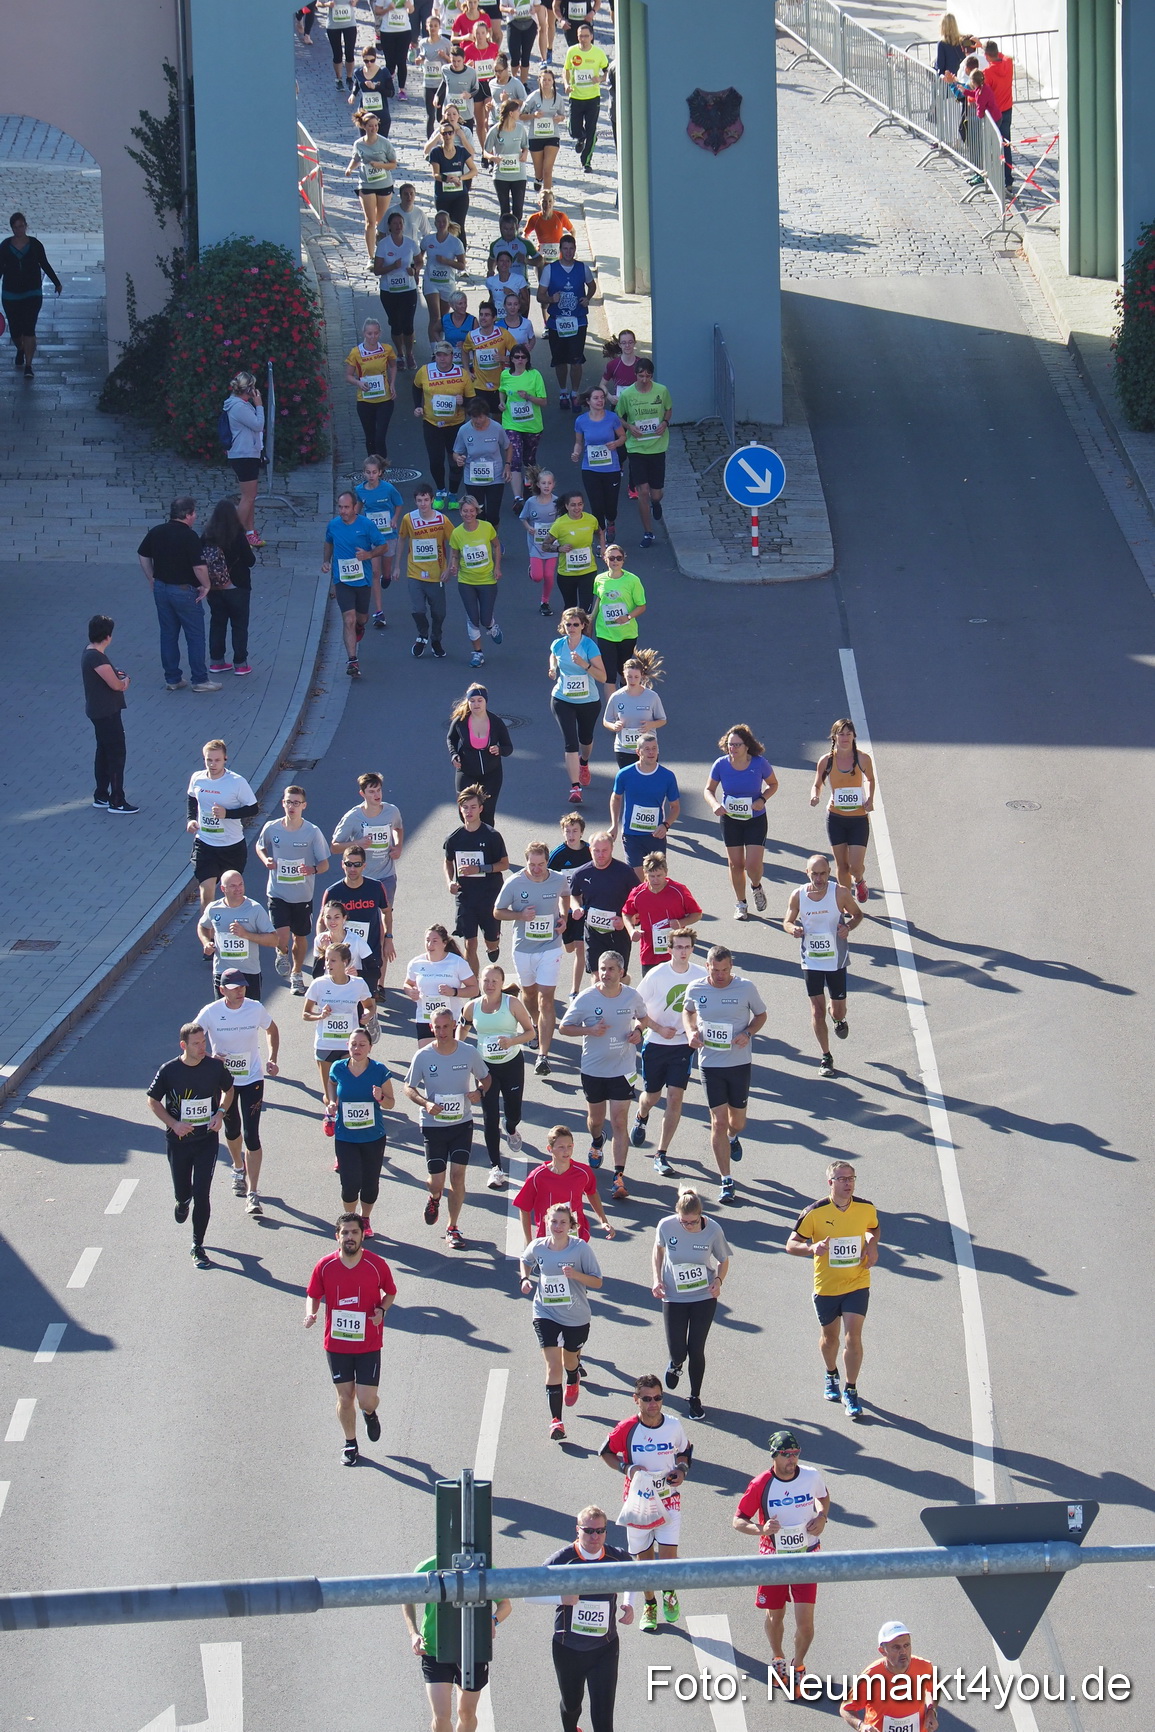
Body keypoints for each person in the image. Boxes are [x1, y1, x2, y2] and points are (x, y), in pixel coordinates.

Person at [733, 1431, 831, 1687]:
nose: (792, 1460)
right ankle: (777, 1657)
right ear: (775, 1456)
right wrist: (761, 1529)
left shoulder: (811, 1476)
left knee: (806, 1624)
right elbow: (738, 1521)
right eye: (787, 1455)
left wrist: (822, 1517)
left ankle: (798, 1664)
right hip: (773, 1558)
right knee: (775, 1616)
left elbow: (823, 1498)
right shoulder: (760, 1484)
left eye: (796, 1454)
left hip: (806, 1555)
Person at [787, 1160, 879, 1420]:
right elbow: (791, 1244)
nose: (848, 1183)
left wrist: (872, 1245)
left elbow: (873, 1228)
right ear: (831, 1183)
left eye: (851, 1178)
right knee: (830, 1338)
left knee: (853, 1337)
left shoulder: (865, 1208)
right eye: (842, 1179)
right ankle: (830, 1374)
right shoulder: (814, 1212)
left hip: (857, 1282)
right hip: (826, 1286)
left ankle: (850, 1389)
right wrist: (811, 1248)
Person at [600, 1374, 691, 1635]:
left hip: (668, 1499)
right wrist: (626, 1468)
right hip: (638, 1502)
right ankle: (650, 1603)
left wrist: (682, 1470)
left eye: (658, 1398)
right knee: (644, 1558)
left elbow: (685, 1450)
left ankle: (669, 1593)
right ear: (636, 1400)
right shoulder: (627, 1428)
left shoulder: (673, 1425)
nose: (654, 1404)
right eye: (647, 1399)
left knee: (669, 1557)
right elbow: (604, 1452)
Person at [305, 1215, 397, 1465]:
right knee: (345, 1398)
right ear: (337, 1236)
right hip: (337, 1345)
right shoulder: (325, 1265)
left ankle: (369, 1413)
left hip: (368, 1343)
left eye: (354, 1232)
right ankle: (350, 1443)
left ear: (362, 1235)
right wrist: (310, 1313)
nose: (349, 1237)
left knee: (366, 1400)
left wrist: (382, 1310)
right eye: (345, 1233)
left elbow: (390, 1292)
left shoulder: (376, 1264)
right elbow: (313, 1294)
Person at [682, 946, 767, 1204]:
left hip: (739, 1063)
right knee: (718, 1121)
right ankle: (726, 1180)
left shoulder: (745, 988)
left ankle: (733, 1137)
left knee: (736, 1122)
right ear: (707, 966)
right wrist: (690, 1032)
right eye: (715, 970)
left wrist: (748, 1033)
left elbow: (761, 1015)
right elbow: (687, 1012)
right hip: (710, 1064)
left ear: (731, 967)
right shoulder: (696, 988)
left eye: (725, 970)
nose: (720, 975)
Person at [146, 1022, 234, 1268]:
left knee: (202, 1193)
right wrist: (174, 1124)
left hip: (206, 1140)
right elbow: (152, 1101)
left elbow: (229, 1090)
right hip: (179, 1142)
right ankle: (182, 1201)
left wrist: (220, 1113)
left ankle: (198, 1245)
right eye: (196, 1044)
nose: (202, 1047)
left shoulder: (215, 1067)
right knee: (184, 1193)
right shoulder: (169, 1070)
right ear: (183, 1045)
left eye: (203, 1042)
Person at [558, 950, 644, 1199]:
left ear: (622, 972)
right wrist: (589, 1029)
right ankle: (597, 1141)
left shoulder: (631, 996)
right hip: (593, 1070)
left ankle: (619, 1176)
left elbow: (644, 1019)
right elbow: (564, 1028)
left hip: (623, 1069)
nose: (605, 974)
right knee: (595, 1121)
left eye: (611, 969)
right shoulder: (586, 998)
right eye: (602, 968)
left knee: (619, 1121)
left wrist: (639, 1031)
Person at [404, 1006, 490, 1248]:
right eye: (437, 1027)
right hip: (433, 1125)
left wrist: (479, 1092)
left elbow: (486, 1077)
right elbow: (408, 1087)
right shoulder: (423, 1056)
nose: (442, 1032)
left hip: (462, 1123)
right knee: (437, 1181)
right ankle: (434, 1197)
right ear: (431, 1028)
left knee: (458, 1176)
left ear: (454, 1025)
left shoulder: (468, 1052)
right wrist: (425, 1102)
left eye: (445, 1026)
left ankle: (453, 1227)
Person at [194, 969, 279, 1215]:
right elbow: (191, 1037)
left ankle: (253, 1193)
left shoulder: (254, 1008)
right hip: (224, 1082)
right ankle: (237, 1166)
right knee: (232, 1130)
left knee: (252, 1134)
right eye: (234, 988)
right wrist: (209, 1057)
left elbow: (272, 1030)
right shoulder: (211, 1012)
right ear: (223, 990)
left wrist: (272, 1058)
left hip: (252, 1078)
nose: (240, 991)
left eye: (242, 987)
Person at [545, 1506, 634, 1729]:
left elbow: (636, 1576)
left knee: (604, 1717)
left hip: (605, 1648)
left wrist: (628, 1603)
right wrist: (561, 1597)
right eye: (589, 1530)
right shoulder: (562, 1559)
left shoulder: (617, 1556)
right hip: (568, 1648)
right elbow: (528, 1592)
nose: (595, 1536)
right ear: (578, 1530)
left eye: (600, 1531)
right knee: (572, 1705)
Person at [522, 1203, 602, 1438]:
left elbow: (598, 1282)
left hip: (576, 1315)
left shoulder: (580, 1249)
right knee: (552, 1365)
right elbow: (525, 1260)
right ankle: (556, 1421)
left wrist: (576, 1275)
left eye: (563, 1222)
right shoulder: (538, 1247)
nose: (557, 1226)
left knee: (569, 1360)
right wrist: (524, 1279)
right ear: (546, 1222)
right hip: (545, 1312)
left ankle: (573, 1375)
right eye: (553, 1221)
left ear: (571, 1225)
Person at [403, 1560, 512, 1732]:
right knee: (440, 1715)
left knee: (466, 1713)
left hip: (473, 1650)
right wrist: (413, 1633)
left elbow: (505, 1604)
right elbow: (407, 1598)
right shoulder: (427, 1567)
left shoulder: (485, 1568)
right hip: (435, 1649)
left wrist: (493, 1620)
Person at [632, 927, 705, 1176]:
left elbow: (706, 1006)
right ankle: (641, 1116)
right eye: (678, 947)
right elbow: (636, 1006)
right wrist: (657, 1027)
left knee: (675, 1096)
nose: (683, 952)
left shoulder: (700, 975)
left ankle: (661, 1153)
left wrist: (696, 1030)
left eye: (687, 947)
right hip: (655, 1044)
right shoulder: (656, 975)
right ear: (669, 949)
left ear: (692, 949)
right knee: (651, 1097)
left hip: (683, 1047)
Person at [784, 854, 863, 1077]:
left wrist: (848, 927)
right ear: (806, 873)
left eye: (823, 873)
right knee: (817, 1011)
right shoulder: (798, 895)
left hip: (835, 959)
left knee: (837, 1010)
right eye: (814, 873)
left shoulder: (840, 892)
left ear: (829, 873)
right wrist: (793, 930)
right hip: (811, 960)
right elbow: (787, 921)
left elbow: (857, 915)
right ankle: (826, 1056)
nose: (818, 878)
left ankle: (838, 1018)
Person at [653, 1187, 729, 1418]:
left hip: (703, 1296)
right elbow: (658, 1251)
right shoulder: (666, 1225)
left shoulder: (713, 1230)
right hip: (674, 1296)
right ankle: (676, 1364)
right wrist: (657, 1278)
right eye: (684, 1222)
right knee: (678, 1350)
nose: (688, 1226)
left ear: (701, 1215)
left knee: (696, 1349)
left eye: (693, 1222)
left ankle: (695, 1397)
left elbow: (723, 1260)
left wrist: (718, 1280)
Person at [495, 841, 569, 1071]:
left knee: (547, 999)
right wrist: (519, 914)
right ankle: (535, 1026)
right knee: (529, 993)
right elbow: (497, 911)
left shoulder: (558, 879)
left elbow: (566, 895)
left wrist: (564, 917)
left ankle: (543, 1056)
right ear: (526, 862)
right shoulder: (515, 882)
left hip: (550, 946)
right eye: (532, 864)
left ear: (547, 861)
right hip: (523, 948)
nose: (536, 869)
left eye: (541, 864)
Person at [459, 963, 534, 1185]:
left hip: (511, 1064)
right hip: (485, 1068)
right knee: (489, 1117)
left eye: (494, 981)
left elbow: (530, 1032)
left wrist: (512, 1041)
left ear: (501, 984)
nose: (490, 985)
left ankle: (510, 1127)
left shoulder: (512, 1004)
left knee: (514, 1113)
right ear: (480, 982)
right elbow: (462, 1030)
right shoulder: (471, 1007)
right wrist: (454, 1049)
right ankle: (496, 1167)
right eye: (486, 981)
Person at [138, 498, 220, 694]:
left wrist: (151, 578)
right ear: (188, 514)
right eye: (194, 513)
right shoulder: (189, 536)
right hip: (184, 591)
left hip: (161, 589)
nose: (196, 516)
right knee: (195, 636)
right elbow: (199, 567)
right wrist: (206, 585)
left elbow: (143, 555)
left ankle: (172, 678)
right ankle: (200, 680)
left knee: (168, 634)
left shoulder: (157, 531)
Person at [256, 786, 329, 992]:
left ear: (304, 806)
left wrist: (311, 869)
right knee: (281, 935)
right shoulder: (272, 828)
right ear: (283, 803)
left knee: (300, 936)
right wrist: (266, 859)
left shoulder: (312, 832)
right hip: (277, 892)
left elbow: (325, 864)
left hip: (302, 895)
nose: (292, 806)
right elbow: (260, 846)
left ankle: (296, 974)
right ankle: (282, 952)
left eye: (296, 803)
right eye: (289, 802)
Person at [705, 724, 779, 919]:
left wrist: (762, 799)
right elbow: (708, 789)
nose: (733, 748)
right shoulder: (720, 764)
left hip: (755, 818)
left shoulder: (759, 763)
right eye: (730, 744)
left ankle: (756, 886)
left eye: (737, 744)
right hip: (730, 820)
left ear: (747, 746)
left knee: (753, 865)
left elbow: (773, 784)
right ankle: (741, 904)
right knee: (735, 864)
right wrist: (714, 805)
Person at [186, 738, 259, 913]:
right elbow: (191, 798)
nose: (212, 764)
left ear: (225, 759)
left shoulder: (236, 782)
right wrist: (191, 819)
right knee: (207, 893)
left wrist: (228, 814)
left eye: (217, 760)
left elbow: (253, 808)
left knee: (233, 895)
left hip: (231, 846)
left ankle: (230, 930)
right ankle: (209, 938)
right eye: (209, 760)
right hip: (205, 844)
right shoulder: (198, 778)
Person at [330, 1031, 393, 1231]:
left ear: (370, 1047)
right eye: (354, 1044)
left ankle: (365, 1219)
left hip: (373, 1137)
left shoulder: (379, 1070)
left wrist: (381, 1097)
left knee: (370, 1183)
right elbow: (331, 1084)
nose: (357, 1049)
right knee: (349, 1184)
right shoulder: (338, 1068)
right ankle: (350, 1222)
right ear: (348, 1046)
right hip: (345, 1136)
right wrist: (331, 1101)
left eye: (362, 1045)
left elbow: (391, 1103)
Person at [443, 784, 509, 975]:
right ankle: (474, 989)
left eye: (473, 807)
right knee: (469, 943)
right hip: (466, 897)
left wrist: (480, 868)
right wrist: (449, 882)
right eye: (465, 807)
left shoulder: (492, 836)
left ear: (481, 808)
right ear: (460, 809)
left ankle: (493, 946)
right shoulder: (454, 838)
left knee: (491, 940)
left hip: (489, 895)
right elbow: (448, 862)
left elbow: (504, 864)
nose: (468, 811)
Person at [322, 490, 387, 679]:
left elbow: (383, 546)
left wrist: (368, 555)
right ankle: (352, 660)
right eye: (340, 507)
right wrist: (326, 561)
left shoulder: (366, 525)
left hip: (362, 581)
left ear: (355, 507)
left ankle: (360, 626)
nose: (343, 511)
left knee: (361, 619)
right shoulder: (333, 525)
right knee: (348, 619)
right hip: (342, 580)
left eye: (346, 507)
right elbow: (328, 543)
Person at [811, 717, 876, 902]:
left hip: (858, 819)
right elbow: (817, 784)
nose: (845, 737)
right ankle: (846, 901)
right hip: (836, 818)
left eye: (849, 734)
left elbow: (870, 779)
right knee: (842, 865)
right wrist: (814, 795)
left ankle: (860, 880)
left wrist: (870, 799)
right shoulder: (826, 761)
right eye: (841, 734)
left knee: (855, 866)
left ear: (854, 736)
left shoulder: (862, 758)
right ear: (834, 737)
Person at [304, 943, 377, 1109]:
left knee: (348, 1090)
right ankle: (333, 1119)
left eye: (333, 960)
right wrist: (320, 1015)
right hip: (325, 1044)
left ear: (345, 962)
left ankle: (350, 1125)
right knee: (330, 1096)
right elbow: (305, 1014)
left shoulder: (358, 984)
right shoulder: (319, 984)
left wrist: (367, 1014)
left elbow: (370, 1005)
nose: (328, 964)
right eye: (327, 960)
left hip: (349, 1045)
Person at [515, 1122, 614, 1242]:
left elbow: (591, 1192)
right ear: (550, 1149)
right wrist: (528, 1241)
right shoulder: (537, 1176)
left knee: (573, 1261)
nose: (566, 1151)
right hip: (546, 1237)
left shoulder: (583, 1172)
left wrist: (603, 1220)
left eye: (569, 1146)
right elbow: (524, 1207)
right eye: (561, 1147)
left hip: (575, 1234)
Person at [319, 844, 395, 1000]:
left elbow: (386, 912)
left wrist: (388, 938)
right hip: (343, 951)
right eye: (348, 864)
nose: (352, 869)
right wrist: (323, 942)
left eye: (357, 864)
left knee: (369, 995)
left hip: (369, 949)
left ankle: (371, 1017)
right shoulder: (333, 891)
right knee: (345, 996)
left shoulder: (376, 887)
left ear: (364, 866)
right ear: (342, 864)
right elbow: (321, 920)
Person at [549, 607, 606, 802]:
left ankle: (584, 762)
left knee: (586, 739)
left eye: (575, 624)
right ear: (563, 626)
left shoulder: (589, 646)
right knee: (570, 742)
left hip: (588, 701)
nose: (571, 628)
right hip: (562, 699)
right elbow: (553, 655)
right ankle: (575, 788)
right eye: (568, 625)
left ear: (583, 625)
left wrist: (584, 664)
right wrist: (552, 668)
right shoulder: (558, 644)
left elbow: (603, 676)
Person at [840, 1623, 939, 1732]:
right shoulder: (870, 1677)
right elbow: (846, 1709)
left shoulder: (924, 1667)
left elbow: (935, 1689)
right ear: (882, 1651)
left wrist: (931, 1710)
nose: (903, 1651)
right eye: (896, 1647)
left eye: (906, 1645)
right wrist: (861, 1726)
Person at [197, 868, 278, 1000]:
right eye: (233, 886)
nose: (238, 889)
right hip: (222, 972)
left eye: (241, 884)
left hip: (248, 972)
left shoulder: (254, 909)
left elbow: (274, 940)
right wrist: (206, 942)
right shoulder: (213, 908)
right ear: (223, 889)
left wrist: (246, 934)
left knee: (250, 1016)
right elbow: (202, 926)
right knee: (224, 1014)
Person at [83, 614, 135, 815]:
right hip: (107, 713)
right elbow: (117, 685)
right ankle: (117, 800)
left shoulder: (89, 653)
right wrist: (126, 680)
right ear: (107, 636)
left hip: (98, 711)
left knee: (103, 752)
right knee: (116, 754)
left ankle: (101, 795)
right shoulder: (97, 657)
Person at [538, 232, 597, 408]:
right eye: (565, 249)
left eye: (572, 249)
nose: (569, 252)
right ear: (560, 250)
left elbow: (592, 286)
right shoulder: (550, 269)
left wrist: (588, 298)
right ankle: (563, 391)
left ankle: (575, 393)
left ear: (575, 250)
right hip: (557, 322)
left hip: (578, 320)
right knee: (560, 360)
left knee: (576, 360)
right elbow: (540, 296)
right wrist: (550, 299)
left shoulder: (582, 268)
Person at [413, 341, 474, 510]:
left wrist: (464, 402)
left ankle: (453, 493)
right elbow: (416, 387)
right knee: (435, 460)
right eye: (439, 355)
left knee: (456, 460)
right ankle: (440, 490)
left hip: (455, 425)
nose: (442, 358)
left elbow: (472, 401)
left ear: (452, 356)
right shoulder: (425, 371)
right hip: (432, 424)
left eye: (445, 355)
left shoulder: (462, 374)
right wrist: (417, 406)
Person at [617, 359, 671, 548]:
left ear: (652, 375)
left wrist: (665, 423)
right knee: (643, 492)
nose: (644, 379)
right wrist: (630, 426)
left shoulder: (661, 391)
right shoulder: (628, 394)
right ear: (635, 375)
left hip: (657, 447)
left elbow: (668, 409)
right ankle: (648, 532)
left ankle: (656, 503)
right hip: (636, 448)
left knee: (656, 495)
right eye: (641, 376)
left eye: (648, 376)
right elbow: (618, 416)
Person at [0, 211, 61, 378]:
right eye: (15, 227)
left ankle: (28, 365)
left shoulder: (35, 244)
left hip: (32, 293)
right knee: (14, 330)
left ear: (26, 226)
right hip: (10, 295)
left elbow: (44, 263)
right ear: (11, 228)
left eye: (21, 226)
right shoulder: (5, 246)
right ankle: (20, 349)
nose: (19, 229)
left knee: (29, 328)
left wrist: (56, 282)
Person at [200, 497, 257, 677]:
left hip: (214, 588)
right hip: (237, 587)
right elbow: (250, 561)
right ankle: (240, 663)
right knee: (239, 625)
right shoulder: (238, 535)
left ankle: (216, 661)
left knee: (217, 623)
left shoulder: (206, 536)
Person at [609, 733, 680, 876]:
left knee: (656, 878)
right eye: (647, 749)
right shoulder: (625, 774)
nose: (651, 752)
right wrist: (614, 825)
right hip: (631, 834)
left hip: (655, 836)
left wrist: (666, 825)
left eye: (654, 748)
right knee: (637, 878)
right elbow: (616, 798)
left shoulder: (667, 776)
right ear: (638, 752)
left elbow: (675, 807)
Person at [569, 829, 637, 977]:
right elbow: (574, 896)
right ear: (590, 850)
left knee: (617, 976)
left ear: (612, 848)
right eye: (596, 851)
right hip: (593, 931)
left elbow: (638, 902)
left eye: (604, 850)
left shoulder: (625, 872)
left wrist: (627, 921)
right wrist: (576, 907)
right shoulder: (581, 873)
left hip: (618, 932)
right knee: (598, 975)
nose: (600, 855)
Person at [332, 772, 405, 909]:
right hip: (361, 877)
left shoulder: (391, 811)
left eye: (378, 790)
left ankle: (387, 932)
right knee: (365, 918)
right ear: (362, 794)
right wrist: (357, 843)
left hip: (386, 875)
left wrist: (398, 846)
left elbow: (398, 828)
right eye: (371, 791)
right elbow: (335, 847)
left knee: (386, 912)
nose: (376, 795)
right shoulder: (353, 817)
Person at [398, 482, 453, 654]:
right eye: (420, 500)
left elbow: (454, 542)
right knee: (418, 609)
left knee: (439, 613)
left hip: (437, 575)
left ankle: (436, 639)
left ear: (432, 500)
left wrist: (450, 566)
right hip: (415, 573)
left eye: (426, 500)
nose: (423, 504)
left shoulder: (442, 520)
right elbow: (401, 539)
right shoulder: (408, 519)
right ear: (415, 501)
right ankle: (422, 634)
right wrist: (396, 566)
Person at [448, 494, 503, 667]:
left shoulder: (486, 527)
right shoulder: (457, 533)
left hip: (487, 580)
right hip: (466, 581)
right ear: (460, 512)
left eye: (472, 511)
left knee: (485, 619)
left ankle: (492, 625)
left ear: (477, 511)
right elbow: (455, 553)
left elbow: (496, 545)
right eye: (465, 511)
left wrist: (497, 567)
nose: (468, 514)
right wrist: (453, 565)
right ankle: (477, 653)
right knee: (473, 618)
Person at [447, 683, 514, 822]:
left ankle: (488, 841)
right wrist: (454, 754)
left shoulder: (496, 722)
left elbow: (508, 747)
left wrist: (499, 750)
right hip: (466, 771)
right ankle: (470, 839)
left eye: (480, 700)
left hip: (491, 773)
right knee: (465, 812)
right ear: (468, 702)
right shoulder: (460, 721)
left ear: (486, 701)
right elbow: (451, 738)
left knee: (487, 813)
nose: (476, 704)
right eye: (472, 701)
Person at [403, 923, 478, 1046]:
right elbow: (407, 983)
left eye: (434, 941)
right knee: (427, 1057)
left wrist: (454, 992)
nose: (430, 945)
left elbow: (474, 989)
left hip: (450, 1019)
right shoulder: (416, 963)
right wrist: (410, 991)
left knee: (448, 1056)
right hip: (426, 1018)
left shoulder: (457, 962)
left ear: (444, 943)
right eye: (427, 941)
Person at [623, 856, 701, 973]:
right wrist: (631, 931)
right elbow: (626, 913)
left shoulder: (679, 890)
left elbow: (697, 913)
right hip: (649, 953)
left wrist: (681, 923)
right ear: (645, 874)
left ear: (666, 873)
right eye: (651, 876)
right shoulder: (638, 893)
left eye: (659, 876)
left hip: (676, 952)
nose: (655, 880)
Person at [355, 452, 403, 628]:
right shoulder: (359, 490)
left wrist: (394, 519)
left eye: (374, 472)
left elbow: (398, 504)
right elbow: (359, 507)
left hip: (388, 535)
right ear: (364, 474)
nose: (371, 476)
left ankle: (387, 575)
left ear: (380, 473)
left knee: (385, 570)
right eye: (368, 472)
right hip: (372, 537)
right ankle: (379, 612)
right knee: (374, 572)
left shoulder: (388, 489)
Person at [590, 546, 645, 697]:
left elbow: (642, 606)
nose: (615, 561)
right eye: (612, 558)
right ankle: (612, 713)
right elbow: (599, 599)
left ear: (623, 560)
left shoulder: (633, 580)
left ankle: (626, 700)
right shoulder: (599, 579)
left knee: (623, 671)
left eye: (618, 558)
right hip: (605, 632)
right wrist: (591, 617)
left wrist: (627, 617)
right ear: (605, 559)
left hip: (627, 633)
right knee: (608, 675)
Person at [573, 389, 625, 543]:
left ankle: (611, 522)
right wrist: (576, 453)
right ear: (588, 401)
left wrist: (616, 443)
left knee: (610, 505)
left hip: (611, 469)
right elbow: (578, 442)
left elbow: (623, 436)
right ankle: (601, 539)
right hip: (590, 469)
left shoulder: (612, 418)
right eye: (596, 398)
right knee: (596, 506)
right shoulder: (581, 421)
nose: (600, 401)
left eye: (602, 398)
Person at [346, 108, 399, 262]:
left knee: (380, 222)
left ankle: (382, 251)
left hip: (383, 184)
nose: (374, 128)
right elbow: (356, 158)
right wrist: (350, 168)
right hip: (366, 184)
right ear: (364, 126)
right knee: (370, 221)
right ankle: (371, 256)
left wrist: (380, 165)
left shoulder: (385, 143)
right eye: (370, 126)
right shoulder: (358, 144)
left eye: (376, 125)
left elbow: (393, 164)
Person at [373, 207, 421, 371]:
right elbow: (377, 270)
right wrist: (392, 266)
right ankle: (399, 354)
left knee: (408, 325)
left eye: (400, 223)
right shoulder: (383, 245)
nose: (398, 226)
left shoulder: (411, 243)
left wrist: (414, 270)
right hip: (389, 291)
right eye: (395, 223)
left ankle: (409, 353)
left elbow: (419, 261)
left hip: (408, 290)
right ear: (389, 227)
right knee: (396, 324)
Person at [549, 812, 592, 996]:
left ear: (581, 832)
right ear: (563, 833)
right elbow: (548, 880)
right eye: (568, 831)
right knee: (569, 948)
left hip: (583, 906)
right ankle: (570, 940)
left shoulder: (590, 851)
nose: (571, 835)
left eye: (575, 831)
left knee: (580, 947)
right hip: (564, 907)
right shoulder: (557, 856)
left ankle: (574, 991)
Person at [220, 372, 265, 543]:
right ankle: (231, 536)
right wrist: (259, 405)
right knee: (248, 497)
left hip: (247, 454)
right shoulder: (238, 406)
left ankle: (249, 532)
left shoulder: (239, 404)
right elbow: (258, 424)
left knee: (250, 496)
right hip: (243, 455)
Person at [500, 344, 548, 504]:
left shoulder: (534, 375)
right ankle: (518, 498)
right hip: (511, 423)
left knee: (529, 459)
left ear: (527, 359)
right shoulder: (505, 375)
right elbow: (502, 390)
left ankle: (530, 486)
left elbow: (543, 401)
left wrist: (528, 397)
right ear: (511, 359)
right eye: (516, 357)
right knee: (514, 459)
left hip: (532, 425)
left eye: (523, 357)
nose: (520, 360)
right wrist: (501, 402)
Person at [452, 393, 511, 522]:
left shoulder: (496, 428)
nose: (478, 421)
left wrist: (507, 465)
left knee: (493, 516)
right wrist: (458, 459)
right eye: (474, 417)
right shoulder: (464, 430)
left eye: (481, 417)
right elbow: (456, 452)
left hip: (495, 477)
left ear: (486, 414)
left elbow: (508, 446)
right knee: (478, 514)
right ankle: (482, 541)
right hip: (473, 479)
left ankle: (495, 540)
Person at [345, 317, 398, 462]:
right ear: (364, 333)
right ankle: (372, 466)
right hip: (365, 401)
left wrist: (392, 383)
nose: (372, 337)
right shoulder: (356, 352)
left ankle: (383, 466)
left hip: (385, 400)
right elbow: (348, 376)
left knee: (380, 436)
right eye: (369, 334)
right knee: (370, 436)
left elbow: (393, 366)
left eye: (375, 333)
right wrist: (358, 383)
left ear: (380, 333)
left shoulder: (386, 349)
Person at [601, 649, 664, 771]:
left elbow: (662, 720)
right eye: (629, 677)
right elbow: (606, 720)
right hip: (624, 749)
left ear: (642, 676)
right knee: (629, 784)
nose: (633, 680)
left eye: (636, 677)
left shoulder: (652, 696)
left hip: (648, 749)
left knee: (647, 782)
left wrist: (651, 724)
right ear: (624, 675)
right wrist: (614, 726)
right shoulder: (616, 697)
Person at [563, 21, 608, 172]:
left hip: (592, 97)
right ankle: (580, 137)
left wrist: (601, 79)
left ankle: (586, 162)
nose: (583, 39)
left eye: (586, 36)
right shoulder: (572, 51)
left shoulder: (598, 53)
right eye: (580, 36)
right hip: (575, 96)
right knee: (573, 129)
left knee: (592, 130)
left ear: (592, 37)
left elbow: (607, 70)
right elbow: (567, 70)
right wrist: (566, 84)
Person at [428, 110, 477, 247]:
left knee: (459, 224)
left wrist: (460, 177)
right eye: (444, 133)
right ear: (441, 136)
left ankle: (461, 254)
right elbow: (435, 174)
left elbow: (474, 170)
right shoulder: (436, 152)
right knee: (444, 225)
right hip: (443, 195)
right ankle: (445, 250)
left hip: (460, 195)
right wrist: (447, 179)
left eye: (450, 133)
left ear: (454, 134)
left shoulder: (461, 151)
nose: (448, 136)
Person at [419, 208, 466, 344]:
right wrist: (415, 269)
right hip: (431, 282)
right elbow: (419, 258)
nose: (441, 224)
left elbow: (462, 265)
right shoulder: (428, 240)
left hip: (447, 283)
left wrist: (447, 261)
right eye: (438, 222)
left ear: (448, 223)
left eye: (443, 221)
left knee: (444, 318)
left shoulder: (455, 243)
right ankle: (434, 350)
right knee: (435, 316)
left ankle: (443, 345)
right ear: (434, 223)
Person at [462, 303, 517, 418]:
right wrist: (466, 370)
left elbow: (518, 355)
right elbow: (465, 351)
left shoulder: (503, 334)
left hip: (499, 385)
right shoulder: (471, 336)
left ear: (494, 318)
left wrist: (504, 358)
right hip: (479, 385)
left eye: (487, 315)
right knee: (479, 417)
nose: (483, 317)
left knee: (498, 418)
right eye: (481, 314)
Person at [520, 466, 561, 614]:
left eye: (549, 483)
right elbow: (523, 518)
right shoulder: (531, 502)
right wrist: (528, 528)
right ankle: (533, 570)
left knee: (549, 575)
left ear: (553, 484)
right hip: (535, 545)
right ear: (538, 485)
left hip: (551, 545)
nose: (546, 486)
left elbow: (562, 520)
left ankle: (545, 601)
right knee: (538, 577)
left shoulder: (558, 502)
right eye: (543, 483)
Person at [522, 70, 566, 191]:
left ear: (553, 82)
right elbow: (521, 116)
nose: (546, 82)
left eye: (549, 80)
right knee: (539, 170)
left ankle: (546, 197)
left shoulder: (558, 98)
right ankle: (538, 178)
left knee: (547, 169)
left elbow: (563, 115)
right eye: (544, 79)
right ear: (539, 81)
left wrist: (559, 118)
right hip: (535, 137)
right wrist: (533, 115)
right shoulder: (533, 97)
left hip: (552, 136)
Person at [983, 40, 1014, 187]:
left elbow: (984, 95)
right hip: (1007, 109)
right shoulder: (1008, 64)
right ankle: (1008, 179)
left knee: (993, 146)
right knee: (1006, 145)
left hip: (994, 114)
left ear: (986, 56)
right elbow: (1004, 56)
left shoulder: (987, 73)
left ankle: (995, 178)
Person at [349, 40, 395, 136]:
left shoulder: (383, 72)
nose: (369, 63)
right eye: (366, 61)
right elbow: (357, 83)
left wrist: (376, 87)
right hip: (364, 114)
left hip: (381, 114)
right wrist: (353, 94)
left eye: (372, 60)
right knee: (364, 142)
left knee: (382, 144)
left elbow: (391, 93)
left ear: (376, 58)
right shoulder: (358, 72)